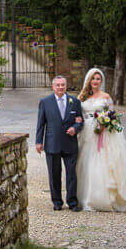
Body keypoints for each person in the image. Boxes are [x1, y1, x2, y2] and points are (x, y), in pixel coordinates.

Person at [74, 67, 126, 212]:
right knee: (86, 162)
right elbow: (77, 114)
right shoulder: (82, 97)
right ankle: (85, 198)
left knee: (100, 162)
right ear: (88, 80)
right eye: (93, 79)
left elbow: (111, 114)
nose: (95, 81)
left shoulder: (106, 97)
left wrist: (104, 123)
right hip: (85, 131)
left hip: (101, 133)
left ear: (101, 81)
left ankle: (101, 198)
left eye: (98, 79)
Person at [35, 75, 84, 211]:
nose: (60, 87)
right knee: (54, 174)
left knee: (71, 174)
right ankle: (57, 202)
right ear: (53, 87)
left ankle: (72, 202)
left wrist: (75, 128)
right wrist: (38, 141)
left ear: (66, 86)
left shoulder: (74, 101)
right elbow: (41, 124)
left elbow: (80, 121)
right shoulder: (45, 102)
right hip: (52, 144)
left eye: (63, 85)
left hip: (70, 144)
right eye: (58, 85)